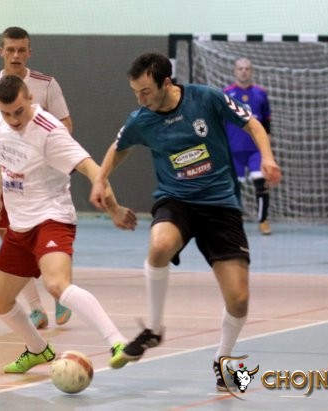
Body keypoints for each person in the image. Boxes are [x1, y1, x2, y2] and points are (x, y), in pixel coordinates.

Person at [90, 52, 281, 391]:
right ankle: (154, 329)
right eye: (135, 93)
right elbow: (118, 147)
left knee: (239, 299)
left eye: (146, 91)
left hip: (220, 205)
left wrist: (266, 157)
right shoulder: (142, 119)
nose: (140, 99)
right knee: (160, 245)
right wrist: (100, 180)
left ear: (166, 83)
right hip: (176, 201)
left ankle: (222, 359)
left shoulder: (206, 98)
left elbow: (252, 123)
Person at [0, 75, 137, 373]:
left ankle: (118, 342)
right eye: (7, 113)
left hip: (51, 218)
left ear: (30, 98)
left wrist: (114, 208)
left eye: (19, 111)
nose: (14, 119)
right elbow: (5, 157)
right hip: (19, 225)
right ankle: (38, 350)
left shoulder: (49, 131)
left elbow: (92, 169)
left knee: (56, 284)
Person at [0, 27, 73, 330]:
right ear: (1, 51)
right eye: (10, 49)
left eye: (21, 50)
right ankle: (36, 308)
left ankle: (59, 290)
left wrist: (45, 145)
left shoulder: (46, 84)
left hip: (38, 176)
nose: (16, 55)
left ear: (29, 52)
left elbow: (66, 124)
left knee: (41, 235)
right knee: (10, 239)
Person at [223, 58, 273, 235]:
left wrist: (267, 149)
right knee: (234, 188)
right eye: (240, 68)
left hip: (255, 150)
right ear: (234, 71)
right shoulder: (226, 94)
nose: (243, 71)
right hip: (233, 149)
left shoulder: (261, 93)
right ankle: (234, 221)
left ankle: (263, 220)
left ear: (252, 71)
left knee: (261, 183)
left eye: (247, 68)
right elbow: (220, 120)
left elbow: (266, 122)